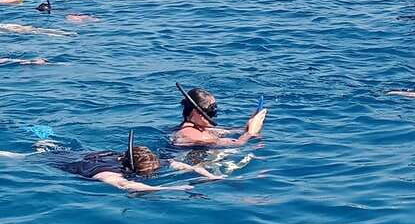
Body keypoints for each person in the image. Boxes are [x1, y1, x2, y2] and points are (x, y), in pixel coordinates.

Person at [54, 132, 221, 192]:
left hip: (92, 154)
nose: (151, 173)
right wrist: (170, 188)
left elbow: (186, 166)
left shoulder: (154, 162)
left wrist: (211, 177)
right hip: (62, 161)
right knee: (48, 149)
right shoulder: (107, 173)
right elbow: (126, 185)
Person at [171, 83, 267, 147]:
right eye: (211, 110)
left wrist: (250, 124)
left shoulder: (200, 128)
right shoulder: (189, 134)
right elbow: (238, 144)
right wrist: (250, 133)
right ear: (196, 112)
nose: (214, 115)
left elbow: (231, 133)